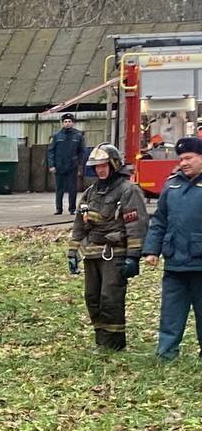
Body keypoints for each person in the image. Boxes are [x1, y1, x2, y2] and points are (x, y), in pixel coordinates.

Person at [66, 144, 148, 351]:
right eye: (96, 167)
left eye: (104, 166)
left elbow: (136, 224)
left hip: (115, 253)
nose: (100, 170)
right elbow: (79, 224)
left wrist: (133, 256)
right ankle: (101, 340)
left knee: (110, 297)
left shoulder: (128, 190)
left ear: (114, 164)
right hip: (92, 253)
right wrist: (73, 252)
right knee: (92, 297)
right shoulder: (90, 193)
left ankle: (114, 345)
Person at [143, 136, 202, 360]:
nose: (184, 162)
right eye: (181, 159)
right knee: (171, 312)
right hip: (175, 261)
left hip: (199, 262)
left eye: (189, 158)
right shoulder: (172, 184)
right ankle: (166, 353)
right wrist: (151, 250)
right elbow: (159, 220)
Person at [47, 112, 86, 215]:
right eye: (65, 122)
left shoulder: (78, 136)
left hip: (72, 166)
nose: (67, 123)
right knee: (59, 188)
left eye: (69, 121)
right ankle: (59, 209)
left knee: (72, 189)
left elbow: (82, 151)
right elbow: (51, 151)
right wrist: (51, 165)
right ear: (62, 123)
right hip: (59, 166)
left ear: (73, 123)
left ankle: (72, 209)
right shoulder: (56, 136)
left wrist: (79, 165)